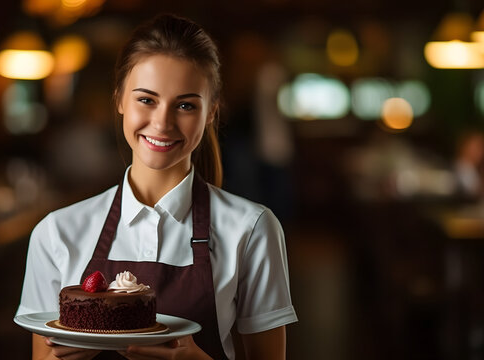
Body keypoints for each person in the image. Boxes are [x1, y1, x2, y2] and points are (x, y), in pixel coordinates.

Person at [16, 14, 298, 360]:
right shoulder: (57, 232)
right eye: (146, 100)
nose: (162, 123)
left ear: (211, 112)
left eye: (185, 105)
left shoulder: (252, 228)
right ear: (119, 99)